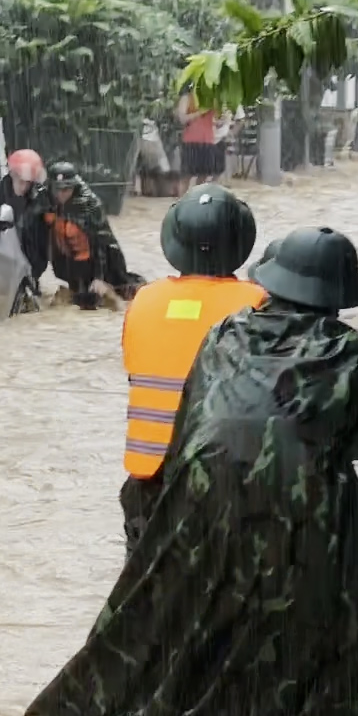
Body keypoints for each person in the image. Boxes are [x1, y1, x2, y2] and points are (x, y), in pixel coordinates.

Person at [26, 226, 358, 716]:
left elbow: (192, 418)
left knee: (190, 610)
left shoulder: (224, 333)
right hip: (294, 504)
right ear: (337, 296)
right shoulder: (350, 353)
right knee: (323, 606)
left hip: (197, 495)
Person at [117, 184, 266, 551]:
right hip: (223, 481)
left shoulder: (145, 300)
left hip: (148, 483)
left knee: (148, 598)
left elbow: (134, 365)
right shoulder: (257, 301)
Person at [40, 161, 138, 310]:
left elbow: (102, 242)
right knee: (69, 302)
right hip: (70, 265)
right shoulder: (45, 199)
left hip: (97, 264)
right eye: (57, 189)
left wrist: (99, 277)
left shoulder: (89, 204)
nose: (62, 194)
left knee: (113, 301)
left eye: (67, 189)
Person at [0, 149, 51, 287]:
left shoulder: (39, 198)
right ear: (12, 174)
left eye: (28, 182)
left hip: (30, 260)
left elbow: (42, 239)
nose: (24, 186)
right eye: (20, 181)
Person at [176, 87, 226, 190]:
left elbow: (216, 120)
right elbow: (182, 119)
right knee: (186, 175)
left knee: (204, 174)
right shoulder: (187, 97)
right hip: (191, 140)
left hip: (207, 140)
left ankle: (196, 200)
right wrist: (200, 112)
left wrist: (221, 121)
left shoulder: (212, 99)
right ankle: (182, 202)